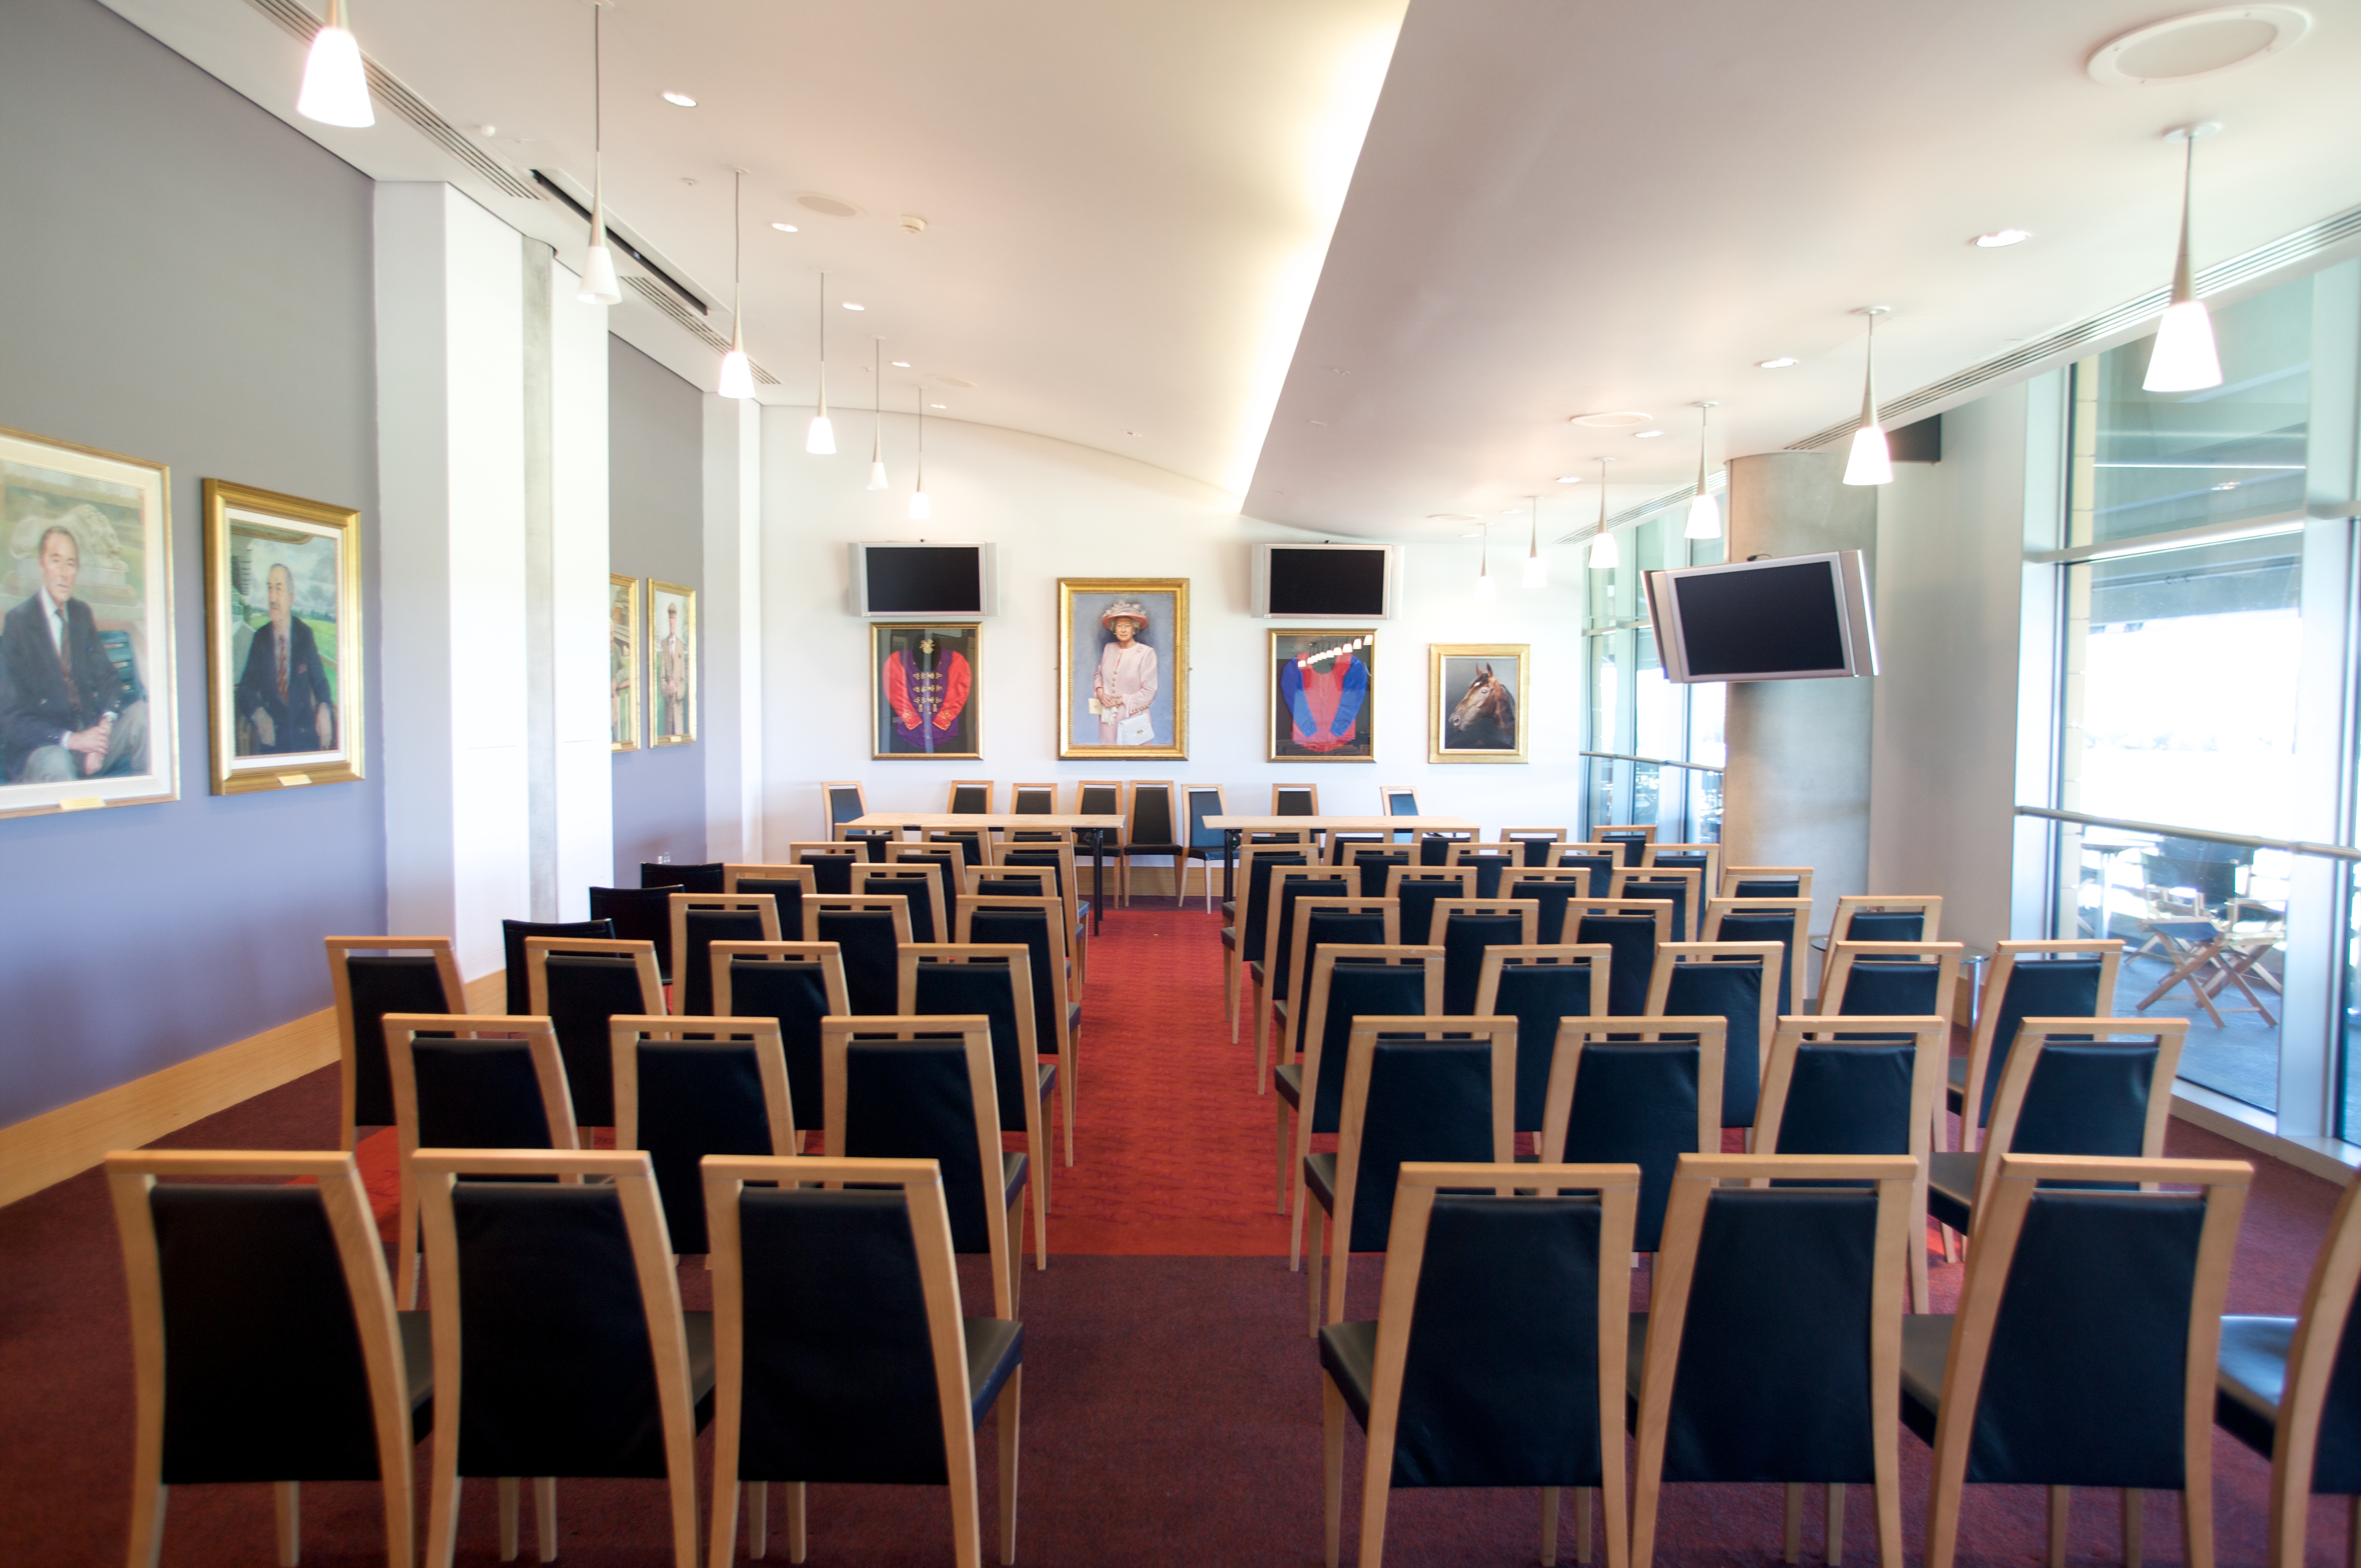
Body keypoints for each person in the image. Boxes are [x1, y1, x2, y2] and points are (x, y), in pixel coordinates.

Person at [0, 524, 149, 784]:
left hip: (90, 738)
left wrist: (102, 736)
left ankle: (144, 814)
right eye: (55, 561)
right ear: (41, 565)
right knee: (57, 764)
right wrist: (75, 741)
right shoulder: (19, 623)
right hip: (44, 747)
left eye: (71, 564)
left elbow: (110, 680)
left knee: (143, 717)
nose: (64, 574)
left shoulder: (81, 615)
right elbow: (12, 718)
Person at [234, 562, 334, 755]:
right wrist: (259, 714)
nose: (272, 598)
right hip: (272, 742)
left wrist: (324, 708)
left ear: (291, 598)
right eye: (269, 588)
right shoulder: (260, 639)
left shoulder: (305, 635)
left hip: (305, 740)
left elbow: (321, 682)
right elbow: (245, 688)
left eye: (279, 589)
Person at [882, 630, 971, 753]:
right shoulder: (897, 659)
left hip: (945, 731)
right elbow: (896, 692)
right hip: (910, 733)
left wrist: (943, 720)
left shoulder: (956, 660)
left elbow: (958, 694)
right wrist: (911, 719)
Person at [1091, 599, 1159, 745]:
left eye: (1127, 626)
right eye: (1119, 626)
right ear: (1114, 629)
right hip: (1108, 718)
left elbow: (1149, 690)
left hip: (1133, 717)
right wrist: (1101, 695)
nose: (1123, 630)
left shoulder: (1146, 653)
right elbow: (1099, 675)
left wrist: (1120, 700)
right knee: (1108, 758)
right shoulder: (1109, 648)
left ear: (1135, 629)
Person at [656, 602, 689, 737]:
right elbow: (662, 678)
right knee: (668, 738)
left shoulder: (680, 645)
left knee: (680, 737)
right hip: (668, 707)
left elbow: (684, 680)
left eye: (674, 618)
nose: (672, 622)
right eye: (670, 618)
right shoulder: (664, 645)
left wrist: (677, 690)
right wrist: (667, 688)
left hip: (678, 707)